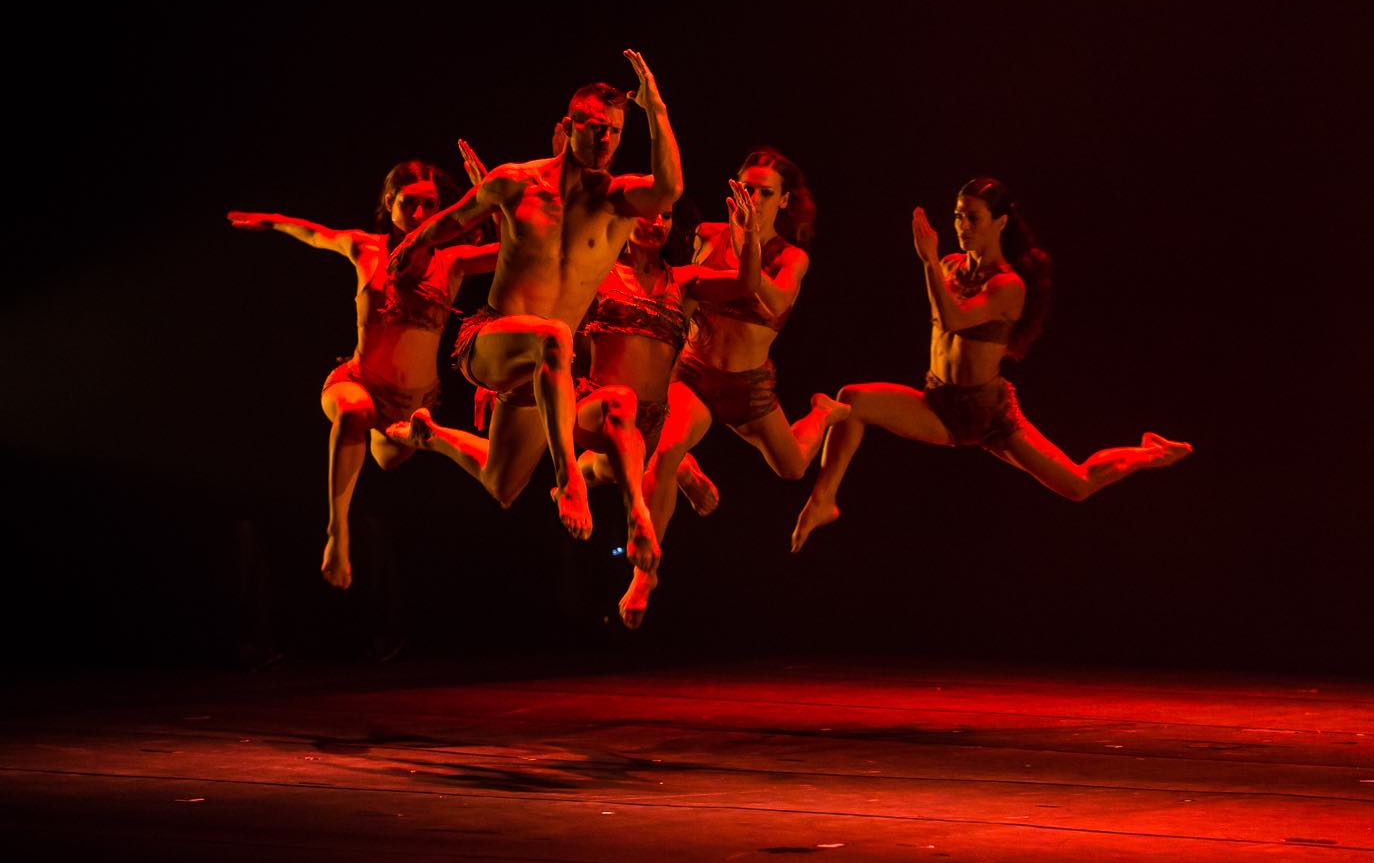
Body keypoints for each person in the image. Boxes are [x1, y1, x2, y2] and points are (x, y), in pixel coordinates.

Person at [391, 183, 761, 628]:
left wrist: (749, 235)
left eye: (665, 217)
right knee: (620, 416)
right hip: (595, 407)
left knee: (507, 481)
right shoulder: (598, 275)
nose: (656, 222)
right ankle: (640, 531)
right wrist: (508, 369)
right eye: (648, 214)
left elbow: (745, 284)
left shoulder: (682, 282)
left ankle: (438, 438)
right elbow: (533, 275)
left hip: (646, 425)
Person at [386, 51, 681, 566]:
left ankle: (433, 437)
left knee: (504, 484)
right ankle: (569, 476)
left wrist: (655, 110)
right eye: (594, 127)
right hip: (492, 341)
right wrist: (413, 245)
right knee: (554, 335)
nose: (605, 139)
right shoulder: (516, 181)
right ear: (568, 128)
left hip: (550, 370)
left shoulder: (618, 200)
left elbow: (670, 188)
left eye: (614, 130)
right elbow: (455, 219)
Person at [790, 177, 1190, 552]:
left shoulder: (1006, 285)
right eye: (958, 216)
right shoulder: (950, 266)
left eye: (973, 217)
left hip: (985, 413)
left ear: (999, 223)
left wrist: (928, 262)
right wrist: (935, 263)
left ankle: (1148, 453)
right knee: (851, 401)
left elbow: (954, 319)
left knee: (1078, 484)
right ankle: (823, 500)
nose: (962, 226)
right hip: (938, 401)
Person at [227, 161, 497, 588]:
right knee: (353, 410)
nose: (420, 214)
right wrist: (275, 222)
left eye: (430, 205)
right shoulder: (365, 248)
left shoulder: (453, 261)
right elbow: (317, 234)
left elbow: (523, 250)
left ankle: (403, 434)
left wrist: (495, 198)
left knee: (388, 460)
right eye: (410, 203)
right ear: (390, 203)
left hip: (413, 404)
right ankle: (338, 530)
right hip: (358, 380)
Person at [643, 148, 847, 546]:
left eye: (766, 193)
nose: (753, 199)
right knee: (663, 449)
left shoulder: (791, 258)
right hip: (695, 374)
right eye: (746, 188)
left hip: (747, 387)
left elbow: (775, 301)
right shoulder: (706, 235)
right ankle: (645, 571)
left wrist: (747, 243)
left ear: (784, 199)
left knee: (791, 469)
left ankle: (821, 413)